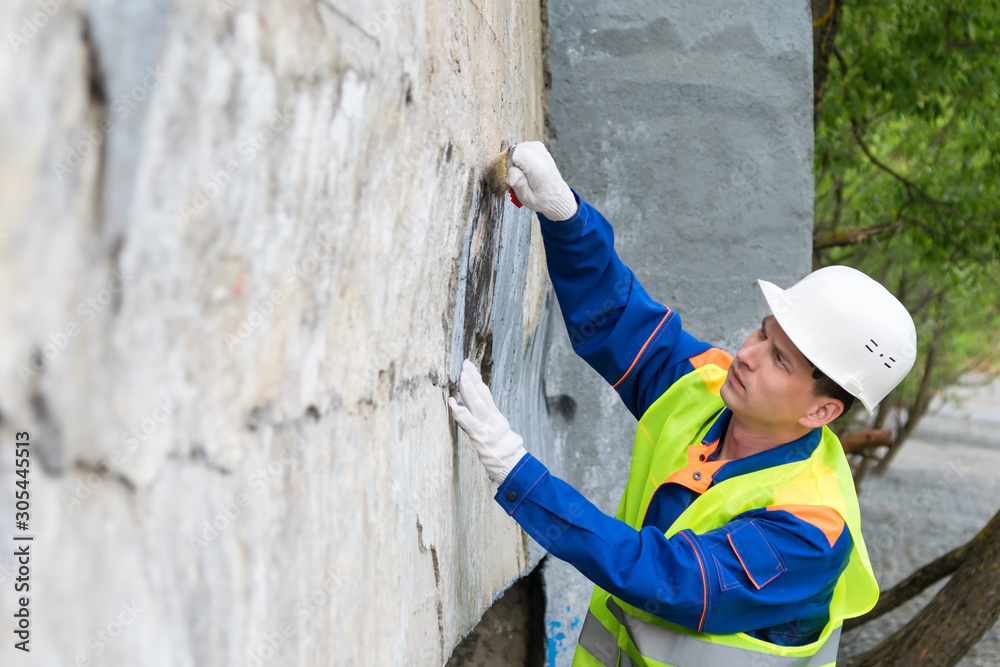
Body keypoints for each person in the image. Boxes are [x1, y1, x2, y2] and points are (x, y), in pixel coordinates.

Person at [448, 142, 918, 666]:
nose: (747, 355)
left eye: (779, 360)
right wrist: (566, 217)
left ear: (821, 412)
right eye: (762, 334)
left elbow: (672, 581)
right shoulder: (709, 392)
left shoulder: (812, 530)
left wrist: (520, 475)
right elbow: (624, 324)